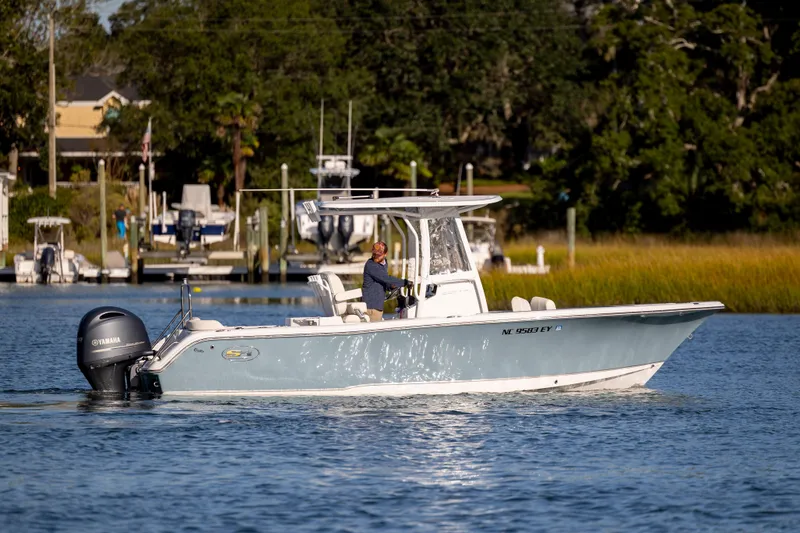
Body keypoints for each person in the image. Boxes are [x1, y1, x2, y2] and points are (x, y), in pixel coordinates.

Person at [362, 241, 411, 322]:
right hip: (371, 307)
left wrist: (390, 286)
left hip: (378, 306)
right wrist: (405, 282)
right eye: (374, 254)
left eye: (378, 254)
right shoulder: (371, 265)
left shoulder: (384, 263)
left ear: (385, 254)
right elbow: (386, 278)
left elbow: (383, 281)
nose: (375, 256)